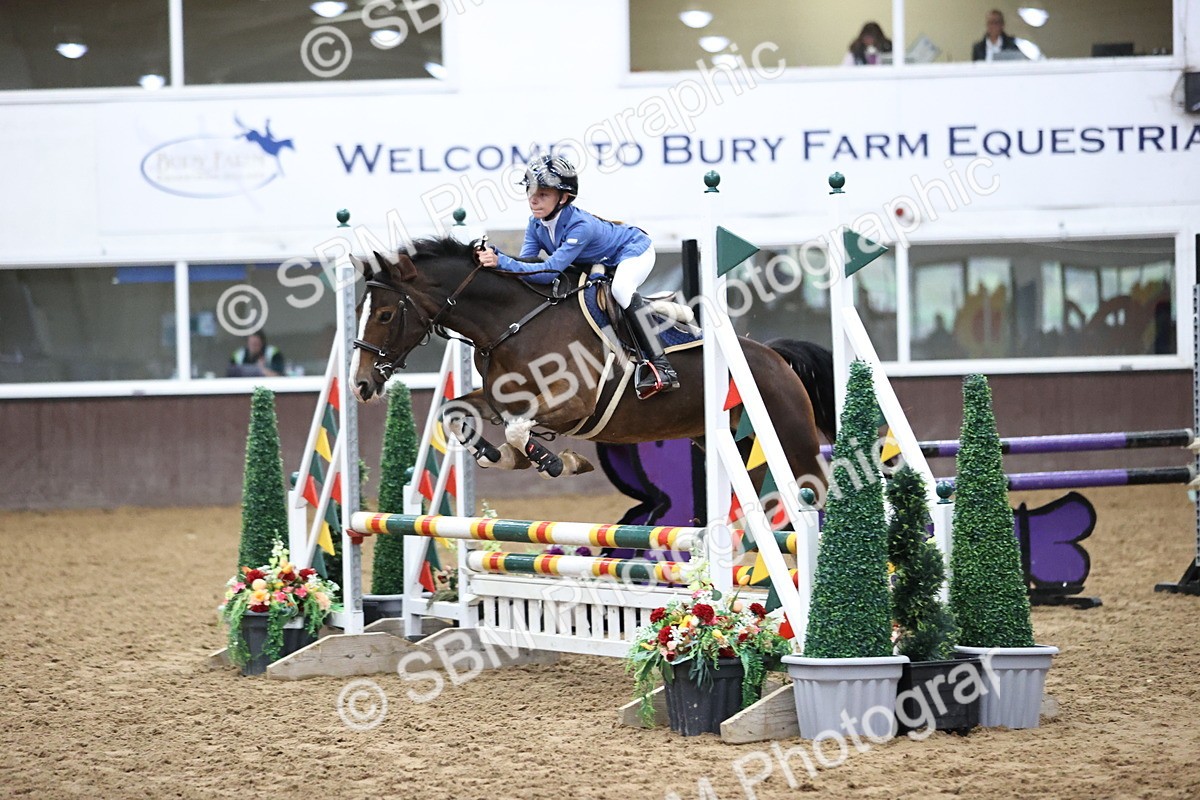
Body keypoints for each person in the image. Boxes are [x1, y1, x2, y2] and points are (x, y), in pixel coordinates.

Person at [474, 155, 679, 399]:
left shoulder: (581, 226)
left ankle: (662, 366)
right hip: (597, 262)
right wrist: (495, 261)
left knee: (621, 290)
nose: (533, 198)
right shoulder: (535, 224)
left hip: (633, 250)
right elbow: (528, 266)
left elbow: (548, 272)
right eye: (530, 190)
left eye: (543, 193)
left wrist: (502, 261)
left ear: (563, 198)